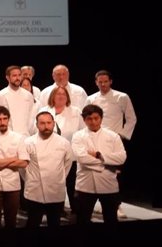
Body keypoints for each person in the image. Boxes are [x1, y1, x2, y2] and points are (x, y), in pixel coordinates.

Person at [86, 70, 137, 218]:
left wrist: (122, 136)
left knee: (115, 174)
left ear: (110, 81)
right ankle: (97, 203)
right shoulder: (91, 98)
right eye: (99, 82)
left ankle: (116, 204)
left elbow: (131, 118)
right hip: (95, 139)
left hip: (114, 140)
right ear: (96, 82)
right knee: (96, 170)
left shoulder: (121, 97)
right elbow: (86, 118)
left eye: (105, 81)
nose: (102, 84)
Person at [71, 104, 126, 226]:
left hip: (108, 183)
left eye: (96, 118)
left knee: (111, 219)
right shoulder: (78, 136)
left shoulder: (113, 136)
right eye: (89, 119)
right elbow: (81, 158)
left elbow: (121, 158)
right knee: (82, 220)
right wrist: (106, 162)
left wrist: (98, 155)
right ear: (84, 120)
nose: (93, 122)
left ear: (101, 118)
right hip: (85, 184)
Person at [23, 111, 73, 232]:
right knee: (32, 224)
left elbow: (67, 164)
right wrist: (30, 179)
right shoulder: (28, 142)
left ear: (53, 123)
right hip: (35, 190)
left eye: (49, 123)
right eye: (42, 123)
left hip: (55, 190)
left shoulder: (64, 143)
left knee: (54, 225)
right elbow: (22, 167)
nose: (46, 126)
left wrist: (58, 179)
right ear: (37, 125)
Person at [0, 106, 28, 233]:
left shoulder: (18, 138)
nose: (2, 122)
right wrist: (12, 159)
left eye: (5, 118)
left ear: (8, 119)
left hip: (13, 183)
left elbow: (24, 163)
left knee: (11, 220)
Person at [38, 86, 84, 215]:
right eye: (58, 94)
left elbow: (82, 131)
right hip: (50, 154)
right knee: (53, 183)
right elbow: (36, 129)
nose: (61, 96)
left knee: (71, 183)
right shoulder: (44, 110)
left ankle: (75, 210)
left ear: (67, 97)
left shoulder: (75, 112)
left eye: (63, 94)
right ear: (52, 96)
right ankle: (55, 209)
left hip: (70, 153)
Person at [0, 65, 36, 136]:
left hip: (24, 135)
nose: (17, 78)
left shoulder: (28, 95)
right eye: (14, 75)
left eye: (19, 75)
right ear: (7, 78)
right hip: (7, 135)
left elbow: (30, 116)